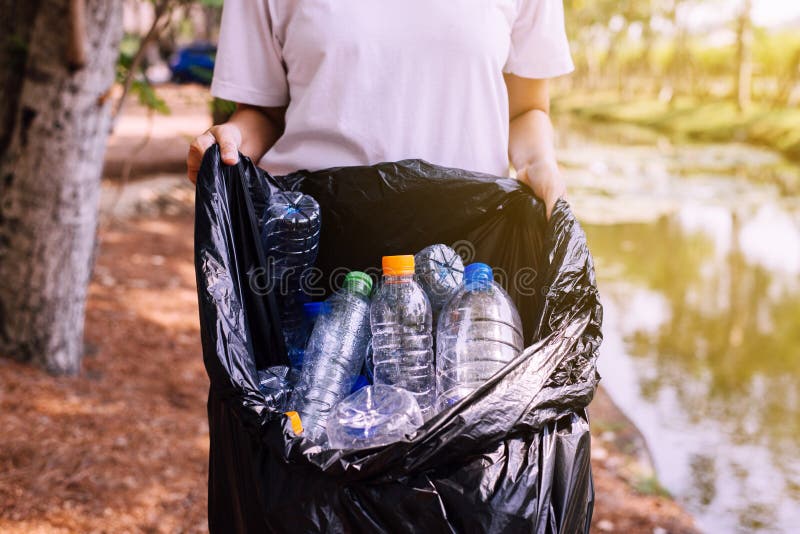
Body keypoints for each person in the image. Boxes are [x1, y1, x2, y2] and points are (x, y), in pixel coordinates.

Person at [187, 0, 573, 219]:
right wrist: (232, 140)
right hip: (312, 250)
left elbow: (525, 112)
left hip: (467, 260)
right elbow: (263, 113)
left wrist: (540, 163)